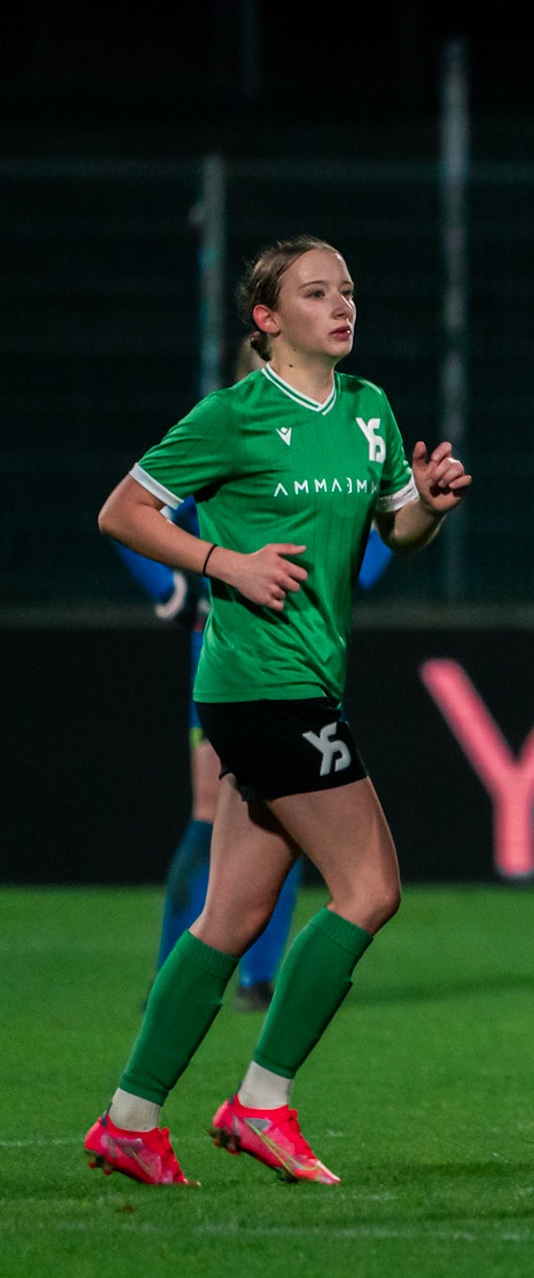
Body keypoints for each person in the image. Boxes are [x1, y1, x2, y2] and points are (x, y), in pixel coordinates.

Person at [84, 235, 470, 1186]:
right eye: (314, 292)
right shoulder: (234, 417)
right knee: (371, 888)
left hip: (300, 683)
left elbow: (397, 537)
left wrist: (426, 505)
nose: (341, 305)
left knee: (233, 916)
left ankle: (130, 1120)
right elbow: (123, 512)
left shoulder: (371, 411)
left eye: (347, 288)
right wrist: (225, 564)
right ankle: (262, 1104)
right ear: (267, 319)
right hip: (263, 688)